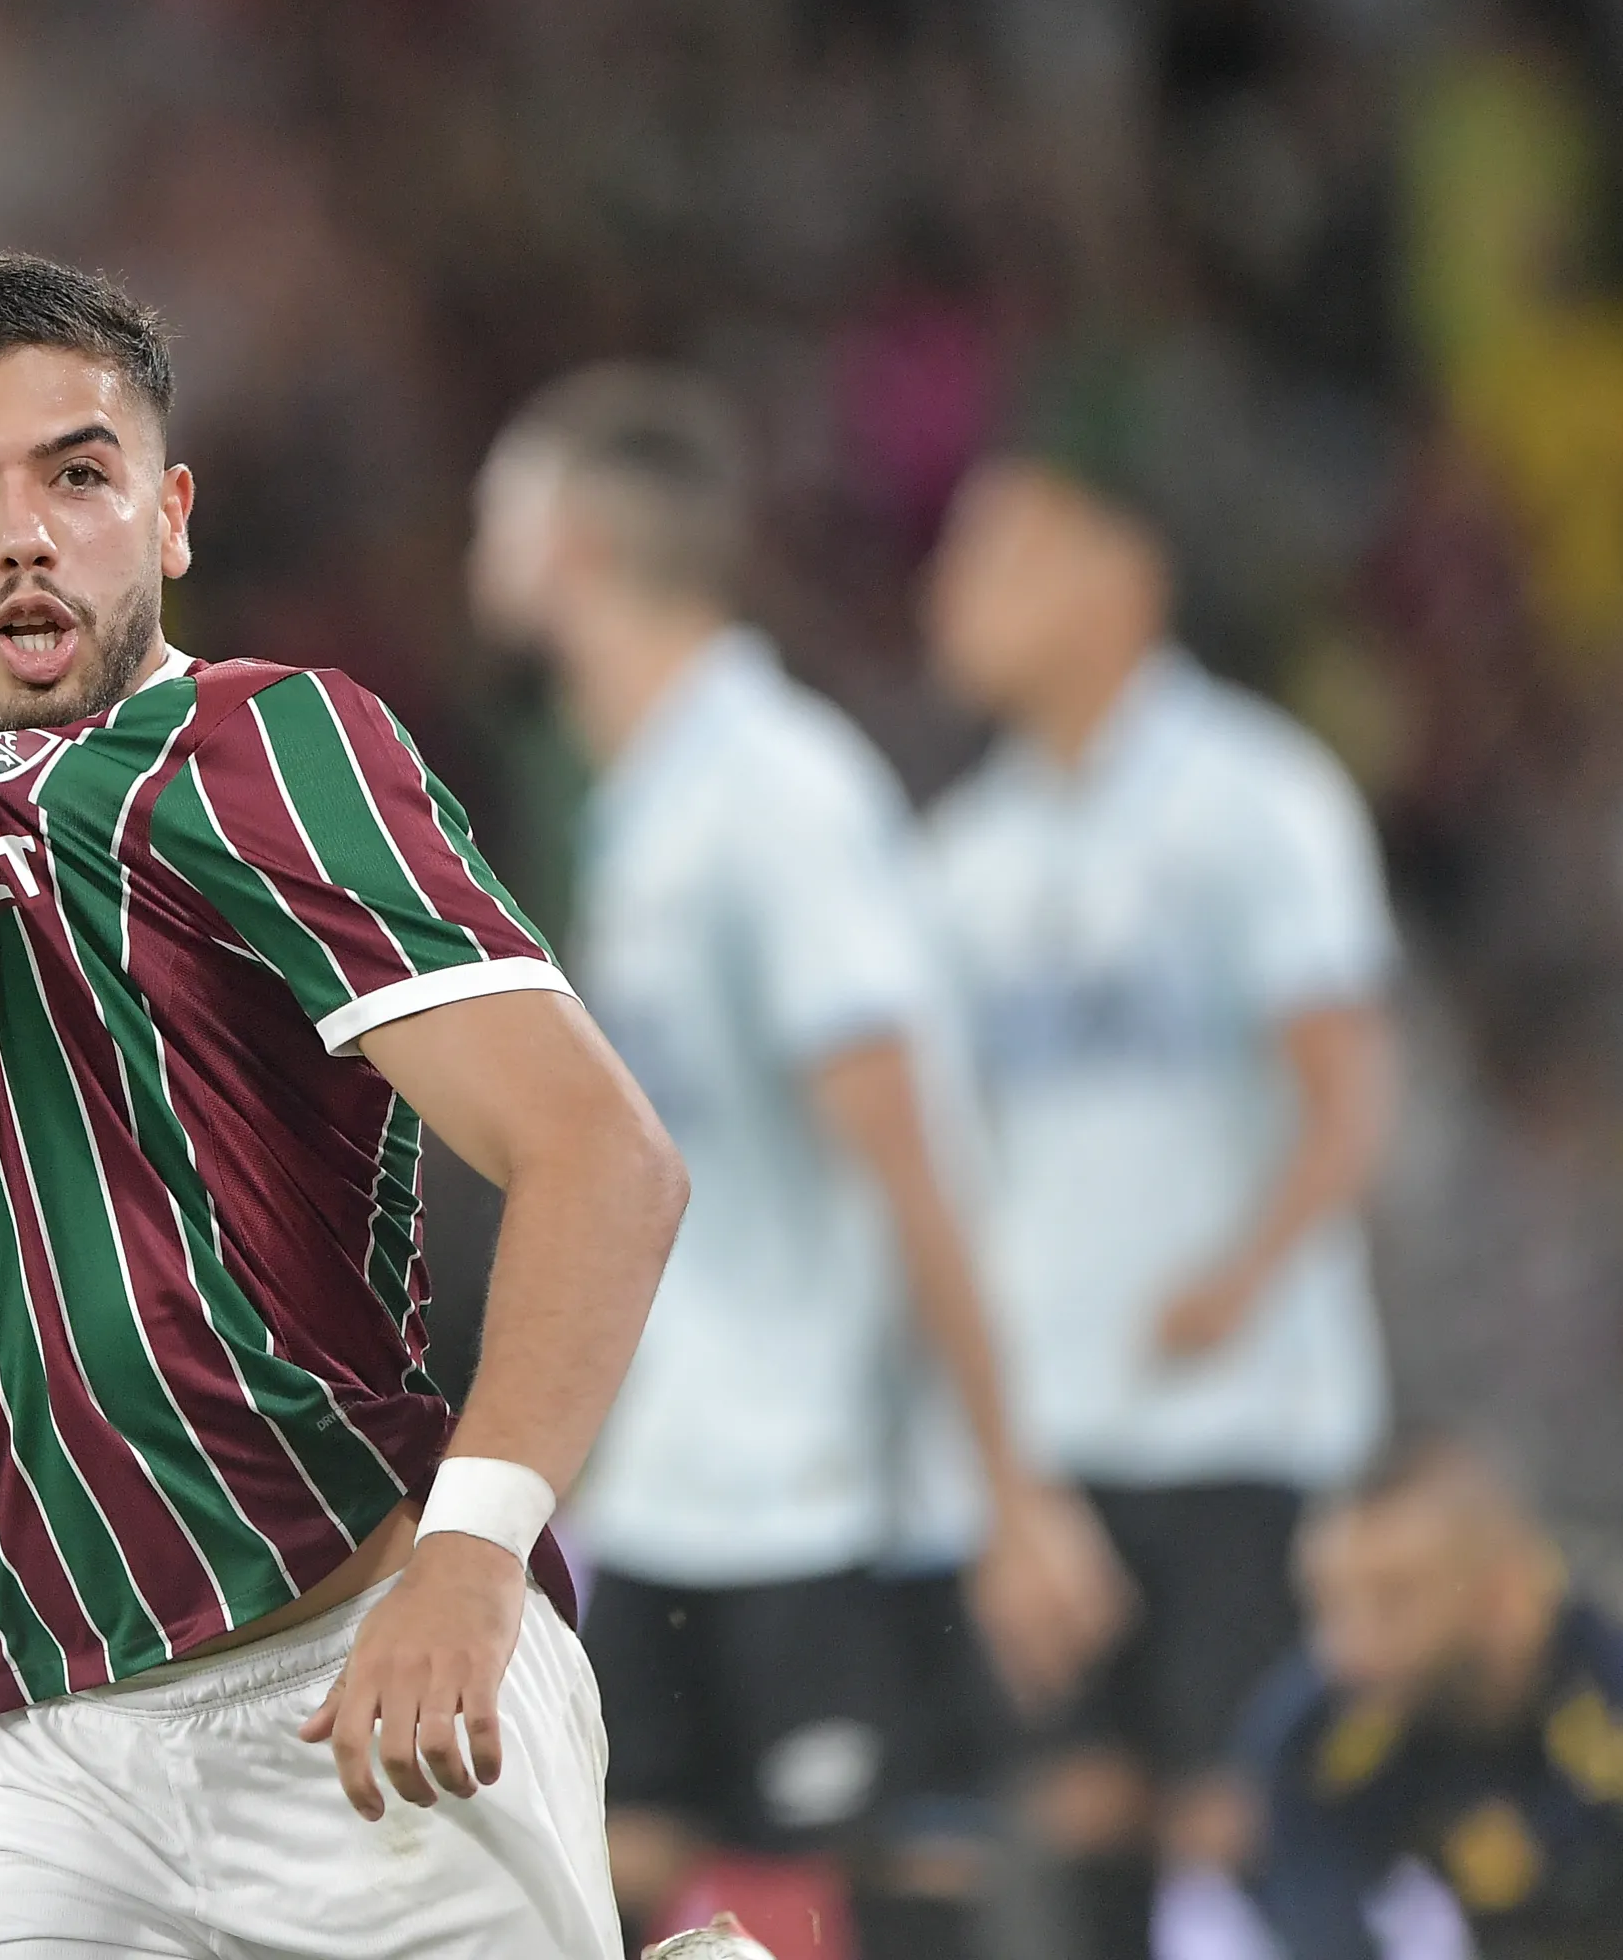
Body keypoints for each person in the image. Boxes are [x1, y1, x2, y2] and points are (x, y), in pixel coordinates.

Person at [0, 254, 689, 1960]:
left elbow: (605, 1158)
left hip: (364, 1678)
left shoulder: (273, 750)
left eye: (79, 475)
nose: (24, 534)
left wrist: (480, 1562)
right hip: (46, 1762)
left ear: (170, 517)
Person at [466, 364, 1125, 1960]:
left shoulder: (776, 794)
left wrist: (1013, 1487)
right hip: (690, 1484)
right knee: (586, 1895)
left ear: (568, 547)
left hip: (832, 1496)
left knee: (884, 1920)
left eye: (500, 506)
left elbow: (909, 1150)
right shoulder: (650, 803)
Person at [923, 453, 1400, 1960]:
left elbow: (1350, 1092)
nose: (953, 596)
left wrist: (1242, 1277)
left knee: (1244, 1819)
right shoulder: (962, 856)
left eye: (1001, 558)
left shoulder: (1257, 801)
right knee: (1071, 1822)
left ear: (1121, 582)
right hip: (1058, 1429)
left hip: (1239, 1424)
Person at [1234, 1433, 1623, 1960]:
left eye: (1394, 1600)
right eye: (1326, 1604)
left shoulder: (1604, 1696)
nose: (1344, 1650)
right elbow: (1319, 1923)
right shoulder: (1316, 1736)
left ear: (1508, 1593)